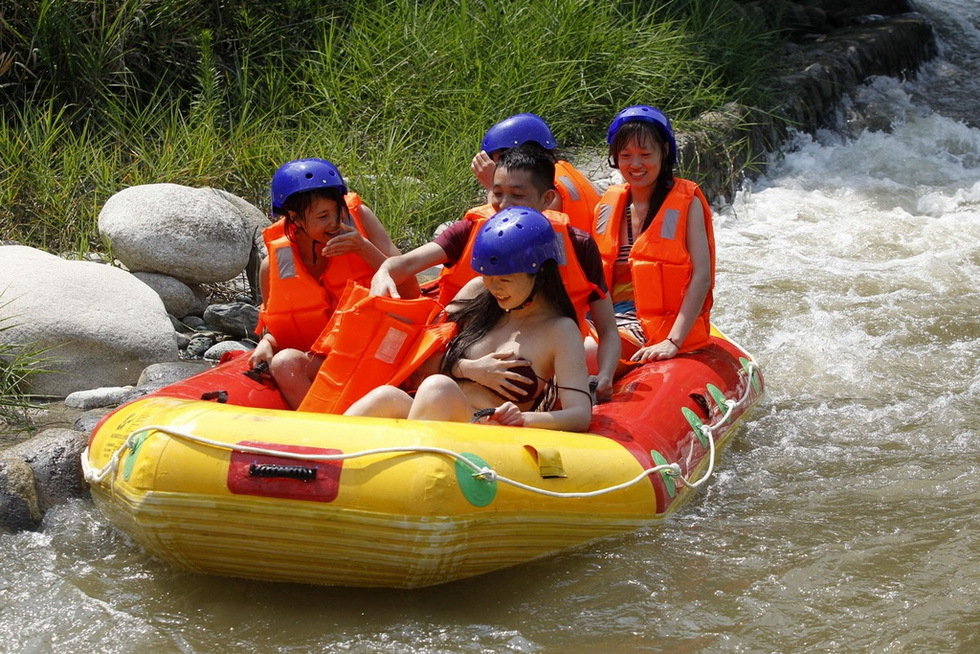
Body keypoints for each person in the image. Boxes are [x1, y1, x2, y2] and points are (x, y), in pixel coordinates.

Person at [371, 144, 620, 401]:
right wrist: (383, 273)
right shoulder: (471, 234)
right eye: (497, 193)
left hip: (547, 374)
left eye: (517, 195)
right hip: (468, 368)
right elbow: (403, 265)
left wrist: (605, 375)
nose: (504, 205)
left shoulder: (578, 245)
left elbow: (608, 329)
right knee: (393, 395)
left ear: (547, 199)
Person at [345, 207, 593, 432]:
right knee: (386, 397)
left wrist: (523, 418)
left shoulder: (560, 330)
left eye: (504, 279)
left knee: (439, 389)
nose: (493, 287)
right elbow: (421, 362)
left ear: (539, 274)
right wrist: (472, 369)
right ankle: (321, 466)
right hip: (435, 411)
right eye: (488, 276)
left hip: (486, 432)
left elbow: (579, 415)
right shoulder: (477, 293)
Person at [250, 157, 418, 407]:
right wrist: (266, 341)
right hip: (322, 362)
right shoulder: (273, 265)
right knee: (284, 361)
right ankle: (326, 429)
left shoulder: (361, 224)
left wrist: (363, 248)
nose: (334, 222)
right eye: (322, 216)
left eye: (337, 211)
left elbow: (412, 293)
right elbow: (276, 326)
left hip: (374, 358)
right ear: (295, 219)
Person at [593, 105, 715, 363]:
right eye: (625, 155)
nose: (635, 165)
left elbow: (701, 277)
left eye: (645, 154)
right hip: (602, 321)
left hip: (650, 329)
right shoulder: (609, 204)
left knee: (584, 355)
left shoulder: (686, 201)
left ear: (664, 152)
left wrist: (673, 341)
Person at [471, 113, 600, 232]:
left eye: (499, 158)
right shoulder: (561, 171)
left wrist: (492, 187)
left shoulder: (547, 191)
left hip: (571, 254)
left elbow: (503, 232)